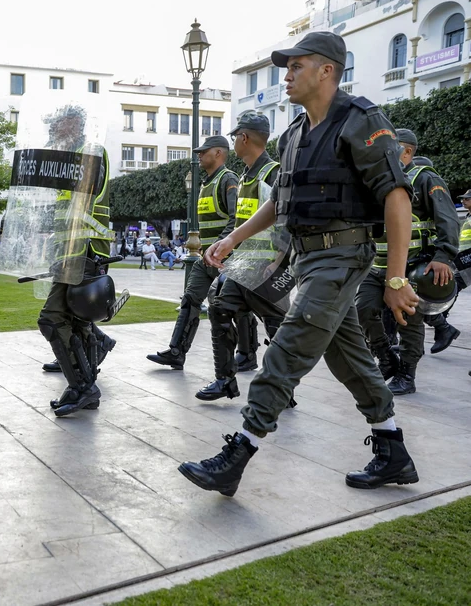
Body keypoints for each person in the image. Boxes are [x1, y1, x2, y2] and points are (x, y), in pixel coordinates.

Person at [178, 32, 421, 497]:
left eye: (296, 67)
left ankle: (237, 454)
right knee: (349, 358)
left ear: (327, 70)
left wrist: (395, 277)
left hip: (343, 255)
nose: (286, 76)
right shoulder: (294, 133)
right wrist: (233, 237)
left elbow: (397, 198)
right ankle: (393, 450)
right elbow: (281, 202)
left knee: (284, 352)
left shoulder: (361, 120)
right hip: (308, 257)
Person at [196, 113, 293, 402]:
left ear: (244, 138)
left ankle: (283, 389)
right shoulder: (246, 176)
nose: (234, 141)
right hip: (244, 265)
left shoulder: (274, 173)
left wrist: (278, 263)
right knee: (219, 307)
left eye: (236, 135)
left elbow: (288, 221)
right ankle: (225, 380)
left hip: (270, 268)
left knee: (277, 327)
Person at [356, 129, 459, 395]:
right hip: (376, 266)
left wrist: (443, 257)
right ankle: (386, 358)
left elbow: (447, 219)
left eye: (389, 148)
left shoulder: (425, 178)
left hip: (411, 266)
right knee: (363, 310)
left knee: (408, 322)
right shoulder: (379, 181)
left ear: (407, 151)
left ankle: (407, 374)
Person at [33, 104, 116, 416]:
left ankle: (82, 386)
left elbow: (84, 204)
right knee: (77, 321)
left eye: (57, 124)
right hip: (71, 252)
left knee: (51, 318)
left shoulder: (89, 152)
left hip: (85, 249)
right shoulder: (71, 159)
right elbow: (66, 211)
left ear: (74, 123)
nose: (53, 130)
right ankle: (84, 387)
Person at [146, 135, 239, 369]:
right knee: (190, 300)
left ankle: (247, 354)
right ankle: (176, 351)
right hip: (208, 258)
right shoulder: (207, 183)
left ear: (218, 153)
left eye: (203, 151)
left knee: (235, 308)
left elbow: (235, 220)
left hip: (226, 258)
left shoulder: (228, 179)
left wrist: (218, 249)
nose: (199, 155)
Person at [422, 186, 469, 354]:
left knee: (438, 294)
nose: (464, 201)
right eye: (463, 199)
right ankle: (440, 327)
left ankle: (442, 325)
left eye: (467, 199)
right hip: (460, 259)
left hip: (465, 262)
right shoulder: (467, 216)